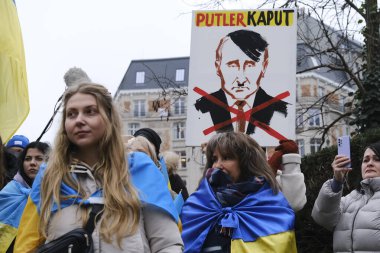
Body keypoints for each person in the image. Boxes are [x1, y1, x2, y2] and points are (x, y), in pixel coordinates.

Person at [13, 82, 183, 252]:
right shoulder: (48, 176)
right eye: (71, 114)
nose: (79, 120)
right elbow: (27, 245)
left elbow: (167, 244)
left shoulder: (140, 169)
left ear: (109, 118)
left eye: (90, 111)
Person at [181, 132, 296, 253]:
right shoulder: (197, 204)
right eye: (214, 159)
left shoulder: (271, 203)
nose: (217, 165)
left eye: (226, 158)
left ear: (246, 162)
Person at [194, 29, 288, 136]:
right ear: (218, 66)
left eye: (250, 65)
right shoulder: (200, 109)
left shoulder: (280, 111)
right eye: (232, 65)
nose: (241, 79)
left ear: (264, 67)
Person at [312, 142, 380, 252]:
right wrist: (337, 182)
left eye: (376, 159)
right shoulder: (351, 199)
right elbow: (322, 218)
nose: (370, 163)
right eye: (365, 160)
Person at [0, 141, 50, 253]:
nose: (32, 163)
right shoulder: (11, 189)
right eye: (27, 159)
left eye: (38, 158)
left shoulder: (54, 192)